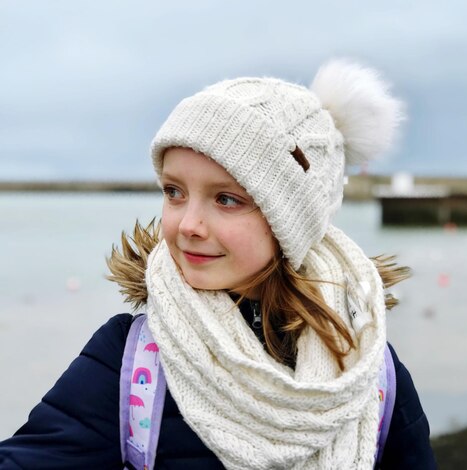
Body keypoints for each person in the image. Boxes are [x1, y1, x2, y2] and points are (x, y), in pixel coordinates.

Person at [0, 59, 436, 469]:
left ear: (292, 223)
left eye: (227, 199)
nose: (188, 224)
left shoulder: (366, 374)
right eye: (174, 192)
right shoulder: (132, 362)